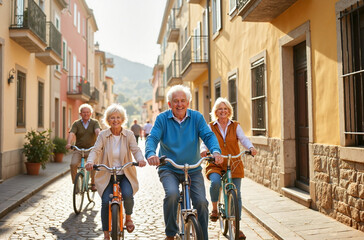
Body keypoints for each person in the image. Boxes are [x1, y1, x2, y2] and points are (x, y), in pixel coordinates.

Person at [145, 85, 223, 240]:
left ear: (188, 103)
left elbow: (208, 135)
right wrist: (151, 153)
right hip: (169, 167)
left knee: (201, 202)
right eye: (175, 101)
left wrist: (215, 151)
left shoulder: (197, 117)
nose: (179, 104)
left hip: (192, 168)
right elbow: (153, 138)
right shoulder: (162, 119)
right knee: (172, 194)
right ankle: (170, 233)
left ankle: (203, 237)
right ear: (169, 104)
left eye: (182, 101)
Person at [85, 104, 146, 240]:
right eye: (112, 117)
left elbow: (135, 149)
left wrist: (140, 159)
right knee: (106, 201)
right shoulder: (103, 135)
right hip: (107, 174)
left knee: (128, 194)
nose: (115, 120)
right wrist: (90, 161)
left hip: (124, 174)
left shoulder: (129, 134)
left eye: (118, 117)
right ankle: (106, 234)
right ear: (108, 120)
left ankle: (128, 218)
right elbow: (96, 150)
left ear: (123, 119)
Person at [200, 97, 257, 240]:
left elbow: (243, 139)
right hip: (215, 162)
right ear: (216, 112)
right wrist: (203, 150)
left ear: (229, 111)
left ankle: (235, 227)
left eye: (225, 109)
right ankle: (214, 208)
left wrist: (250, 147)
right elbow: (205, 141)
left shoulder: (235, 125)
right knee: (215, 183)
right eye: (220, 109)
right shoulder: (210, 126)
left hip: (234, 162)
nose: (223, 111)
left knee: (236, 195)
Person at [66, 104, 101, 192]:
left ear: (90, 113)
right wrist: (69, 143)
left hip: (91, 149)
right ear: (80, 114)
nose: (86, 114)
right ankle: (76, 184)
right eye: (84, 112)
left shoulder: (94, 122)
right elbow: (71, 133)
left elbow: (97, 131)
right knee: (73, 164)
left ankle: (93, 183)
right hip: (79, 149)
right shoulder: (76, 123)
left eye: (87, 112)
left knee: (93, 165)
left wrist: (100, 141)